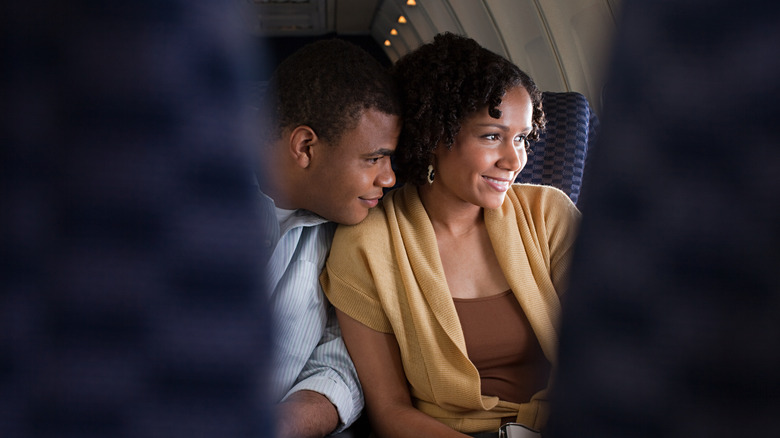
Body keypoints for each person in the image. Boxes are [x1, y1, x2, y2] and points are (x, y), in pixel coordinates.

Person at [321, 32, 581, 438]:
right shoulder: (367, 245)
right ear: (437, 134)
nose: (514, 160)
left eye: (522, 138)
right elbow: (390, 411)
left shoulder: (550, 215)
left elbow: (606, 354)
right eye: (492, 136)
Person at [257, 38, 402, 438]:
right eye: (373, 158)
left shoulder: (358, 232)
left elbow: (341, 363)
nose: (389, 178)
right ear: (305, 147)